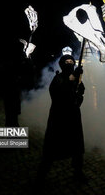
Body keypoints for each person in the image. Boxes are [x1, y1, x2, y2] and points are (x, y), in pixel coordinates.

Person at [36, 54, 87, 184]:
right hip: (59, 118)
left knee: (76, 146)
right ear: (62, 64)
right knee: (52, 146)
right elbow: (58, 94)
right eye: (67, 61)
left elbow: (80, 93)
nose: (69, 63)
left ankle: (78, 172)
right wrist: (71, 79)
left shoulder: (77, 79)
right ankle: (41, 176)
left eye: (71, 61)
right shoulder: (58, 78)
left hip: (73, 117)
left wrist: (79, 92)